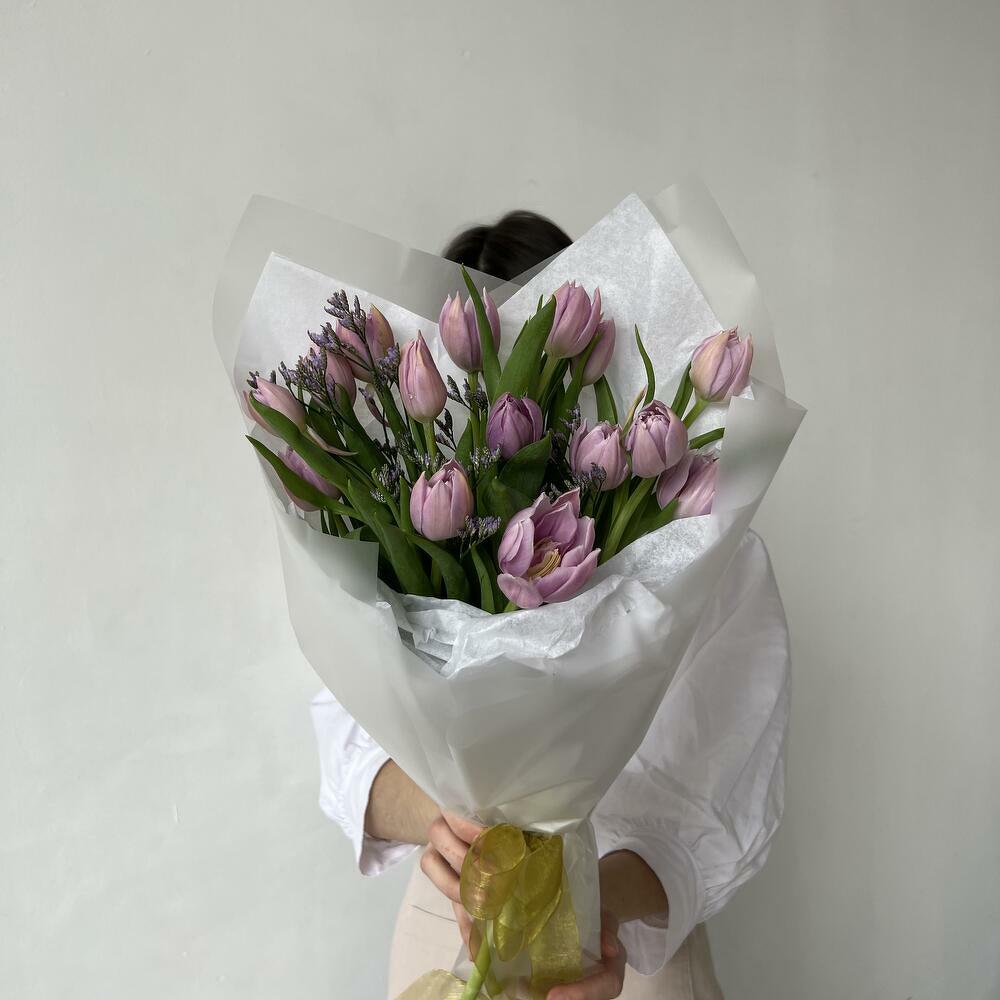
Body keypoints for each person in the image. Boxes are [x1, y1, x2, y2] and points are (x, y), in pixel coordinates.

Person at [310, 210, 791, 1000]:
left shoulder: (706, 546)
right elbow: (348, 744)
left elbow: (719, 793)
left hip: (623, 949)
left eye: (538, 358)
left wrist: (592, 906)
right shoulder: (391, 536)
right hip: (449, 925)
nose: (510, 390)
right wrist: (448, 825)